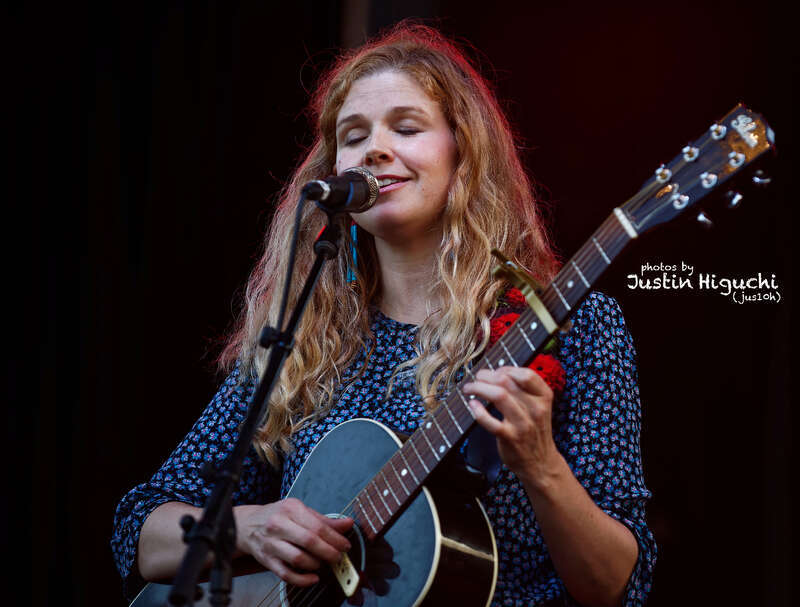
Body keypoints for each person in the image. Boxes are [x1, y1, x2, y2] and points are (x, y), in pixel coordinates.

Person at [112, 23, 656, 607]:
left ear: (463, 152)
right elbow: (140, 530)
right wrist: (248, 527)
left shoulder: (570, 326)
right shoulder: (307, 342)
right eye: (353, 135)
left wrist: (541, 466)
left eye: (406, 127)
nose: (372, 148)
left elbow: (617, 586)